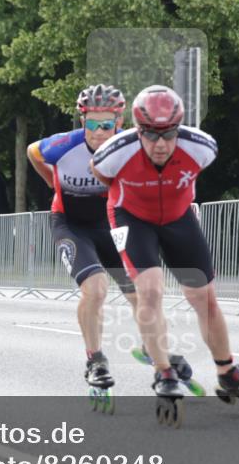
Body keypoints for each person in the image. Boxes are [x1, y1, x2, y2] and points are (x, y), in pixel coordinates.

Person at [91, 85, 239, 407]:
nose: (160, 144)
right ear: (138, 130)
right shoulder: (114, 152)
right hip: (131, 216)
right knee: (149, 290)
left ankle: (228, 372)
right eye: (150, 135)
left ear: (179, 128)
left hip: (178, 216)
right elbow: (103, 176)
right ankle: (164, 372)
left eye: (169, 134)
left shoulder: (202, 147)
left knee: (204, 299)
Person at [26, 84, 192, 392]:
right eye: (91, 123)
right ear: (81, 121)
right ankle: (95, 360)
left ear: (119, 123)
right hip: (71, 224)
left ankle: (155, 350)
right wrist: (53, 181)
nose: (99, 131)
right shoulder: (64, 146)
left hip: (111, 223)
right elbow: (33, 151)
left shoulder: (130, 147)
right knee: (96, 289)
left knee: (142, 292)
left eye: (107, 124)